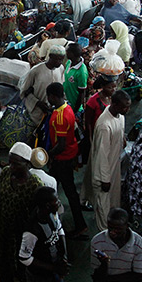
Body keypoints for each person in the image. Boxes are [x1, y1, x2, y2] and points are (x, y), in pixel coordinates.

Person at [0, 142, 43, 282]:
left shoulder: (35, 185)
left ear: (27, 164)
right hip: (3, 232)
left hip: (22, 236)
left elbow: (38, 217)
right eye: (10, 162)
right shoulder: (5, 174)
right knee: (3, 267)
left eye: (16, 164)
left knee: (24, 270)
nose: (11, 166)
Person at [44, 82, 88, 238]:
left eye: (49, 96)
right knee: (60, 189)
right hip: (69, 155)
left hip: (62, 159)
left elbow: (61, 145)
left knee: (62, 191)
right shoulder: (66, 108)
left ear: (53, 96)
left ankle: (79, 225)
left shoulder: (60, 117)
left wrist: (47, 155)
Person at [84, 208, 142, 282]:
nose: (112, 232)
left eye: (118, 229)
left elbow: (139, 276)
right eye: (110, 227)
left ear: (127, 226)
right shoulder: (97, 241)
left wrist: (108, 278)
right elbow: (97, 278)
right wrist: (104, 264)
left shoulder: (138, 243)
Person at [19, 186, 68, 282]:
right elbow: (24, 258)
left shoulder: (52, 214)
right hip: (40, 274)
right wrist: (53, 268)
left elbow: (59, 230)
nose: (59, 202)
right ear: (47, 205)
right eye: (56, 200)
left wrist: (64, 256)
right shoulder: (32, 230)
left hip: (52, 267)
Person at [91, 90, 131, 232]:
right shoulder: (104, 125)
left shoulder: (119, 116)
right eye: (124, 107)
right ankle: (104, 233)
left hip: (114, 167)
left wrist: (122, 140)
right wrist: (105, 179)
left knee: (112, 202)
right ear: (114, 104)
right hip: (104, 174)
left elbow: (119, 132)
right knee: (104, 206)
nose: (127, 110)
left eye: (128, 106)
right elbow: (102, 155)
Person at [21, 45, 65, 124]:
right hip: (36, 114)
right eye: (58, 59)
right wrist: (37, 103)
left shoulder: (61, 68)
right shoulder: (36, 70)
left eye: (62, 59)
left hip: (54, 114)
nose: (60, 62)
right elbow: (24, 91)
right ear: (51, 56)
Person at [63, 42, 88, 112]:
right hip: (66, 102)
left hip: (74, 106)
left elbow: (81, 93)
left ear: (72, 54)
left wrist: (75, 111)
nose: (66, 53)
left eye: (67, 51)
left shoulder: (81, 71)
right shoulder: (69, 62)